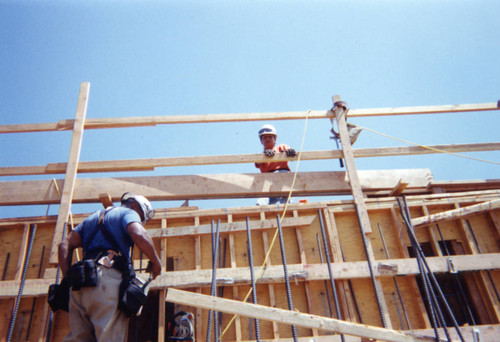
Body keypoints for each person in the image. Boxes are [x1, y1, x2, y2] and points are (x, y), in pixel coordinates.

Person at [58, 192, 162, 342]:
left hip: (79, 285)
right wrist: (156, 263)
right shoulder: (128, 212)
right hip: (105, 280)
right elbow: (138, 233)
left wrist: (68, 279)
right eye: (141, 217)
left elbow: (64, 245)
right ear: (135, 205)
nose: (140, 221)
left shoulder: (93, 217)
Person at [255, 124, 296, 204]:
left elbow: (291, 153)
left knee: (287, 204)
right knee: (261, 203)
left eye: (270, 136)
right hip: (268, 181)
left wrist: (290, 152)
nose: (267, 139)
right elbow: (257, 162)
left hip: (283, 176)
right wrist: (264, 156)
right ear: (261, 141)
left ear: (275, 139)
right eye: (264, 137)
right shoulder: (260, 155)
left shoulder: (281, 147)